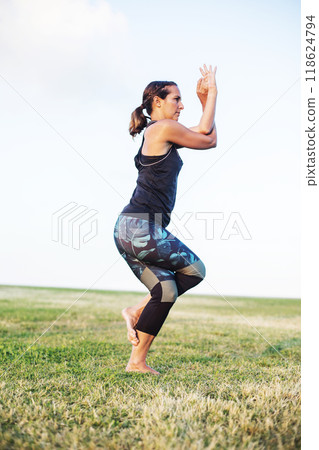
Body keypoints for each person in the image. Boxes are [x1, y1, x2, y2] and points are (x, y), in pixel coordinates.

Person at [113, 64, 218, 374]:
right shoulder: (160, 128)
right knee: (195, 269)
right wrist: (211, 95)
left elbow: (208, 135)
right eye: (176, 99)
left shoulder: (160, 131)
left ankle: (137, 362)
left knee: (167, 289)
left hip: (133, 230)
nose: (180, 105)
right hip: (138, 227)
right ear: (156, 102)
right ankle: (135, 309)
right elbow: (207, 138)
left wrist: (205, 104)